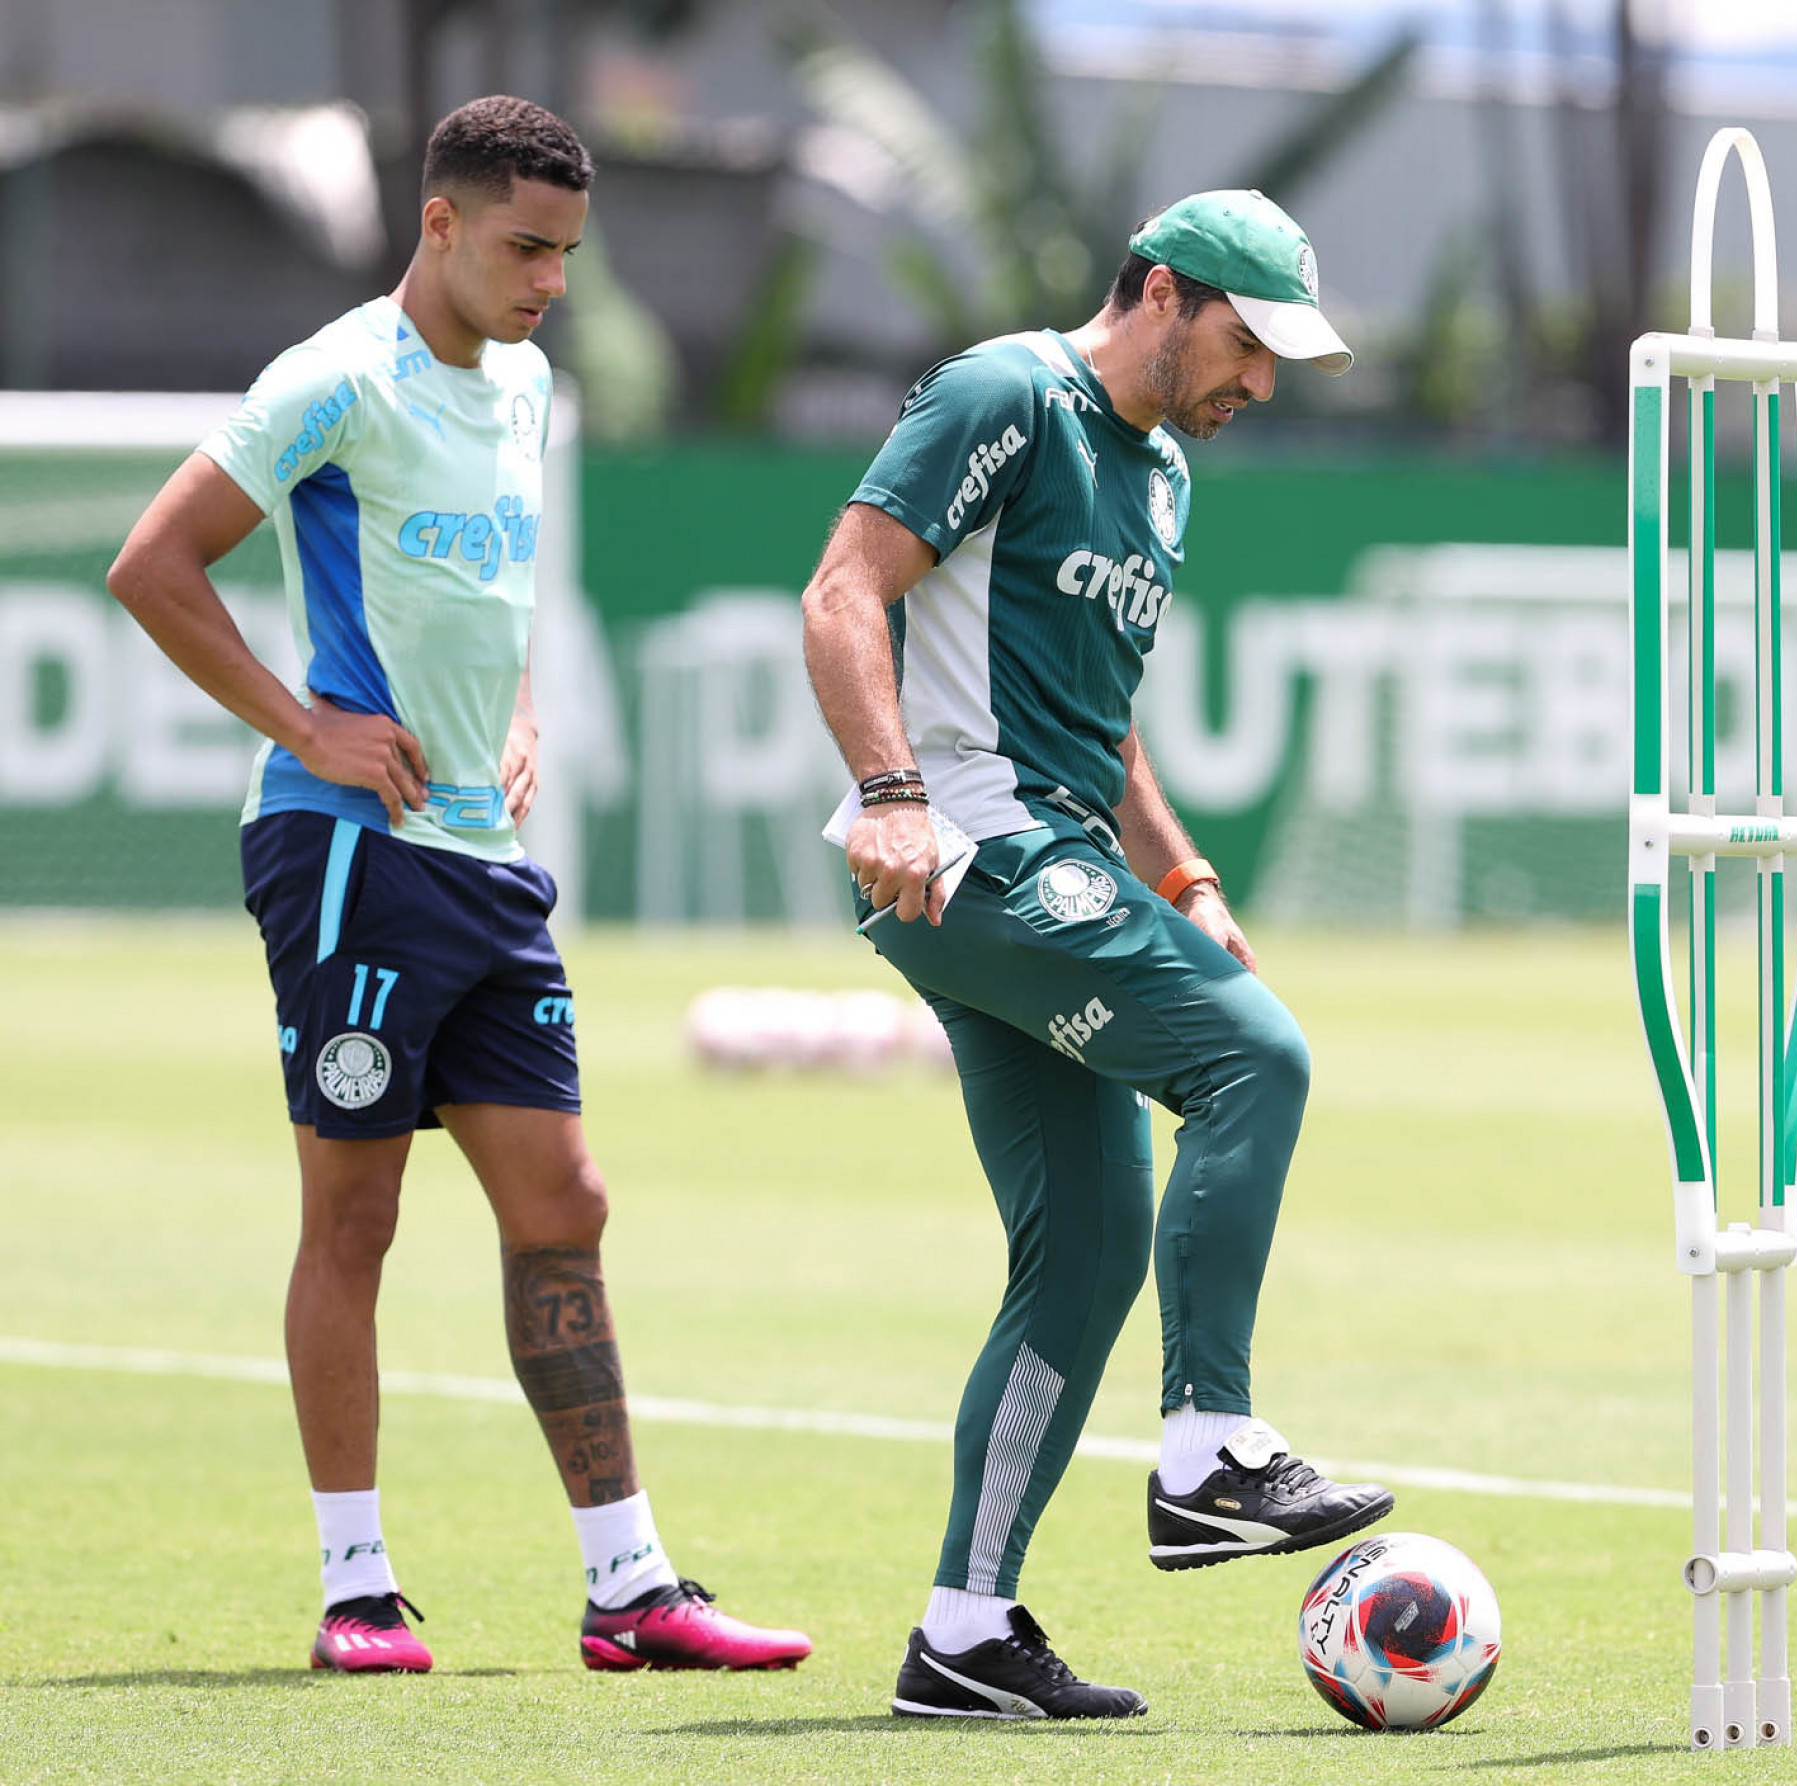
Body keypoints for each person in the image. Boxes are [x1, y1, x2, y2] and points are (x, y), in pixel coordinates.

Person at [107, 94, 810, 1678]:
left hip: (487, 860)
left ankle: (629, 1590)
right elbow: (153, 561)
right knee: (354, 1216)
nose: (551, 279)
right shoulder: (333, 379)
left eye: (567, 252)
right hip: (348, 853)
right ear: (440, 222)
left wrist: (522, 713)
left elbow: (488, 588)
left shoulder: (530, 383)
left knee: (565, 1204)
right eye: (526, 247)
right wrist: (307, 725)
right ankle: (358, 1588)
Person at [801, 189, 1395, 1720]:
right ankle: (1211, 1449)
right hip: (976, 854)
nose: (1259, 382)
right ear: (1160, 290)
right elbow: (842, 589)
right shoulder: (1009, 393)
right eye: (1248, 342)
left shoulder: (1168, 477)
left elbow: (1102, 721)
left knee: (1085, 1254)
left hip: (1047, 853)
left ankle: (965, 1630)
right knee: (1253, 1053)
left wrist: (1182, 869)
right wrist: (889, 794)